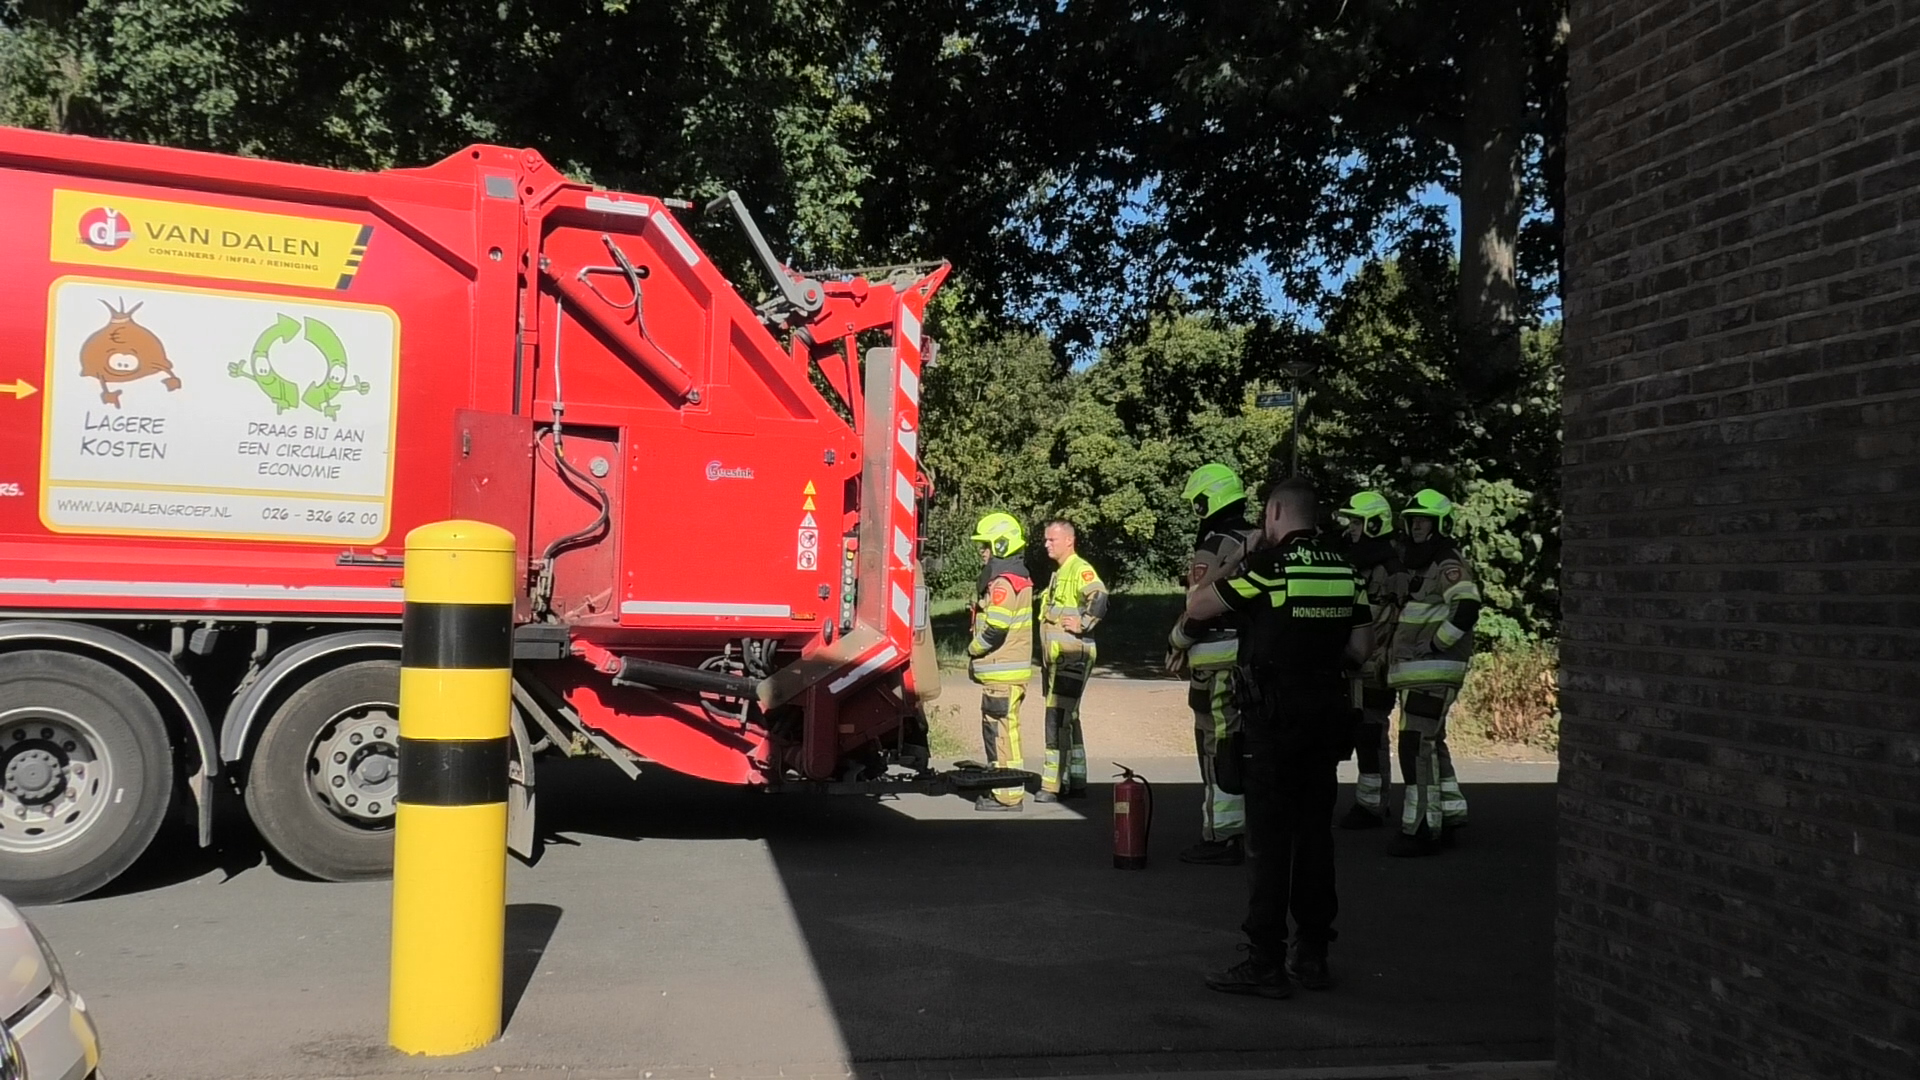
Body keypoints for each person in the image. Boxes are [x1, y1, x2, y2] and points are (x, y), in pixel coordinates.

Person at [1183, 478, 1371, 999]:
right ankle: (1312, 954)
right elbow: (1361, 647)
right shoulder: (1344, 569)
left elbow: (1199, 607)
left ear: (1275, 513)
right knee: (1315, 837)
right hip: (1326, 717)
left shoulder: (1269, 569)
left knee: (1267, 844)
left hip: (1273, 720)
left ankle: (1264, 959)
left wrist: (1238, 555)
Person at [1165, 464, 1260, 865]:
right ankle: (1248, 830)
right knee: (1246, 745)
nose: (1197, 511)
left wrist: (1176, 642)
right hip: (1253, 659)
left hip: (1216, 664)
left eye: (1198, 503)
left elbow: (1199, 605)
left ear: (1212, 499)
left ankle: (1223, 835)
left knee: (1217, 745)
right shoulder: (1257, 539)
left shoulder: (1215, 543)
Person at [1385, 489, 1480, 857]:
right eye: (1413, 520)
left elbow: (1467, 605)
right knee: (1431, 744)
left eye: (1424, 520)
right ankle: (1451, 814)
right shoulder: (1422, 564)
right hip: (1419, 675)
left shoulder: (1446, 564)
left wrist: (1437, 644)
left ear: (1441, 525)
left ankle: (1423, 828)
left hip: (1434, 671)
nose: (1417, 526)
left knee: (1415, 749)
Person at [1332, 491, 1410, 830]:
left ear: (1375, 525)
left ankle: (1373, 805)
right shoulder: (1357, 562)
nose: (1351, 528)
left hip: (1375, 667)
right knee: (1356, 730)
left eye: (1357, 522)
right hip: (1354, 665)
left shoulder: (1390, 570)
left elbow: (1384, 621)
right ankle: (1368, 802)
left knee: (1371, 732)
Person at [964, 513, 1036, 811]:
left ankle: (1007, 795)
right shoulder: (1015, 577)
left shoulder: (1004, 583)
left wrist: (973, 649)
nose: (982, 551)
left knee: (1002, 734)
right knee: (1002, 732)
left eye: (986, 545)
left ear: (1001, 545)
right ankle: (1003, 786)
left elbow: (996, 628)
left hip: (1002, 672)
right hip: (1006, 672)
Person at [1036, 520, 1107, 801]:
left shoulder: (1080, 568)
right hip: (1059, 657)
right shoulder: (1061, 572)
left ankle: (1051, 785)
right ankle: (1075, 778)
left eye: (1052, 540)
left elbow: (1099, 597)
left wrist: (1084, 623)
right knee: (1069, 716)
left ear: (1069, 541)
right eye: (1045, 540)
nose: (1046, 544)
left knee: (1057, 717)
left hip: (1072, 656)